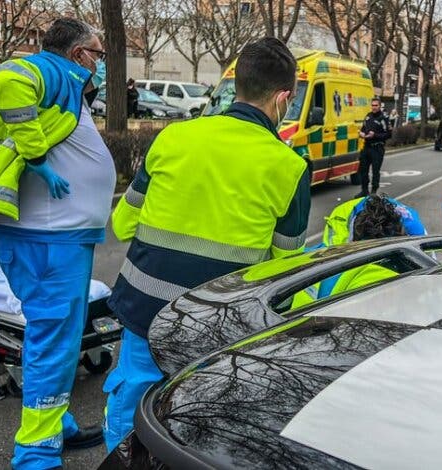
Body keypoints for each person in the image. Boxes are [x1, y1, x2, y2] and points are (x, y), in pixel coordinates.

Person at [103, 37, 311, 451]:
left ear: (236, 85)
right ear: (283, 97)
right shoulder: (291, 167)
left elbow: (124, 224)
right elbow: (286, 267)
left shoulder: (173, 138)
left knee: (129, 410)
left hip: (144, 310)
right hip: (220, 326)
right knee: (202, 426)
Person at [0, 17, 115, 468]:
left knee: (60, 335)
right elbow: (8, 76)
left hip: (58, 235)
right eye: (98, 54)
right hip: (49, 236)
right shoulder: (50, 70)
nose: (100, 63)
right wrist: (38, 159)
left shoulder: (65, 86)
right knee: (53, 339)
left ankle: (55, 421)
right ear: (79, 53)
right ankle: (35, 454)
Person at [355, 98, 391, 197]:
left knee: (375, 171)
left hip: (377, 148)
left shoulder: (383, 118)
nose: (374, 107)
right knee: (363, 169)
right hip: (367, 146)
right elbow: (363, 128)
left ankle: (374, 191)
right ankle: (364, 190)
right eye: (372, 105)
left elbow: (388, 134)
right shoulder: (368, 116)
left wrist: (375, 135)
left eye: (376, 105)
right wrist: (361, 133)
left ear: (380, 106)